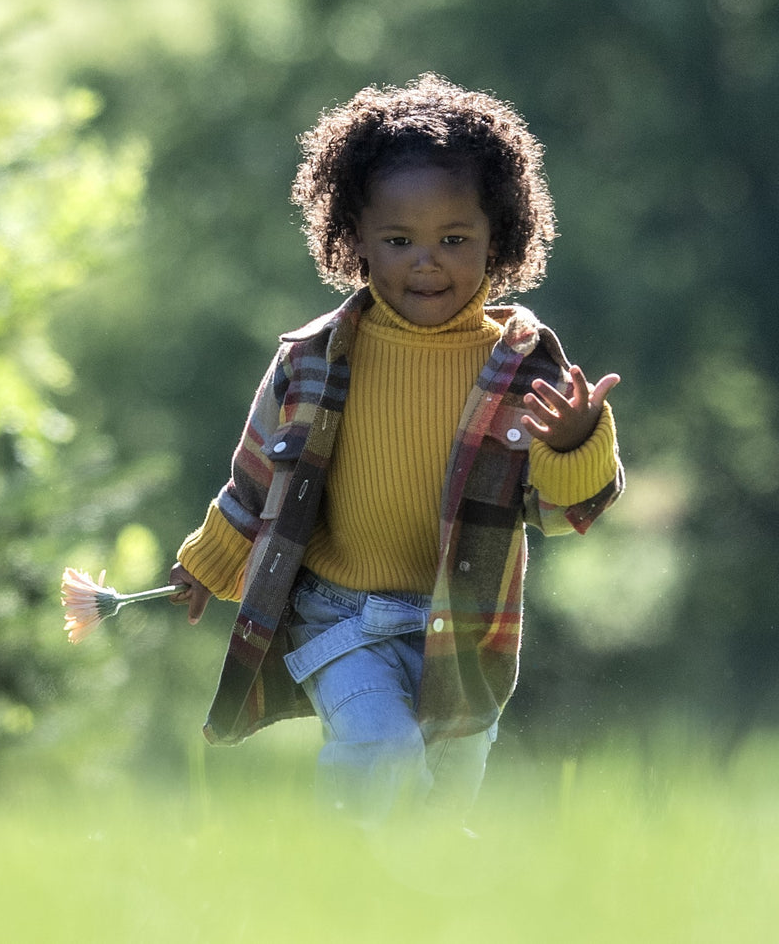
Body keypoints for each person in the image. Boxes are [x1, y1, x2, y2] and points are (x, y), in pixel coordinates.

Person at [169, 73, 624, 829]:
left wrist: (576, 440)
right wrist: (206, 562)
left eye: (454, 239)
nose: (426, 262)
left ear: (499, 237)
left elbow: (558, 510)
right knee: (379, 751)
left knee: (443, 809)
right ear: (355, 240)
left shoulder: (522, 364)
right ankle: (343, 880)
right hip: (337, 616)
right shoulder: (312, 357)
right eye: (398, 240)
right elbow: (255, 481)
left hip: (465, 628)